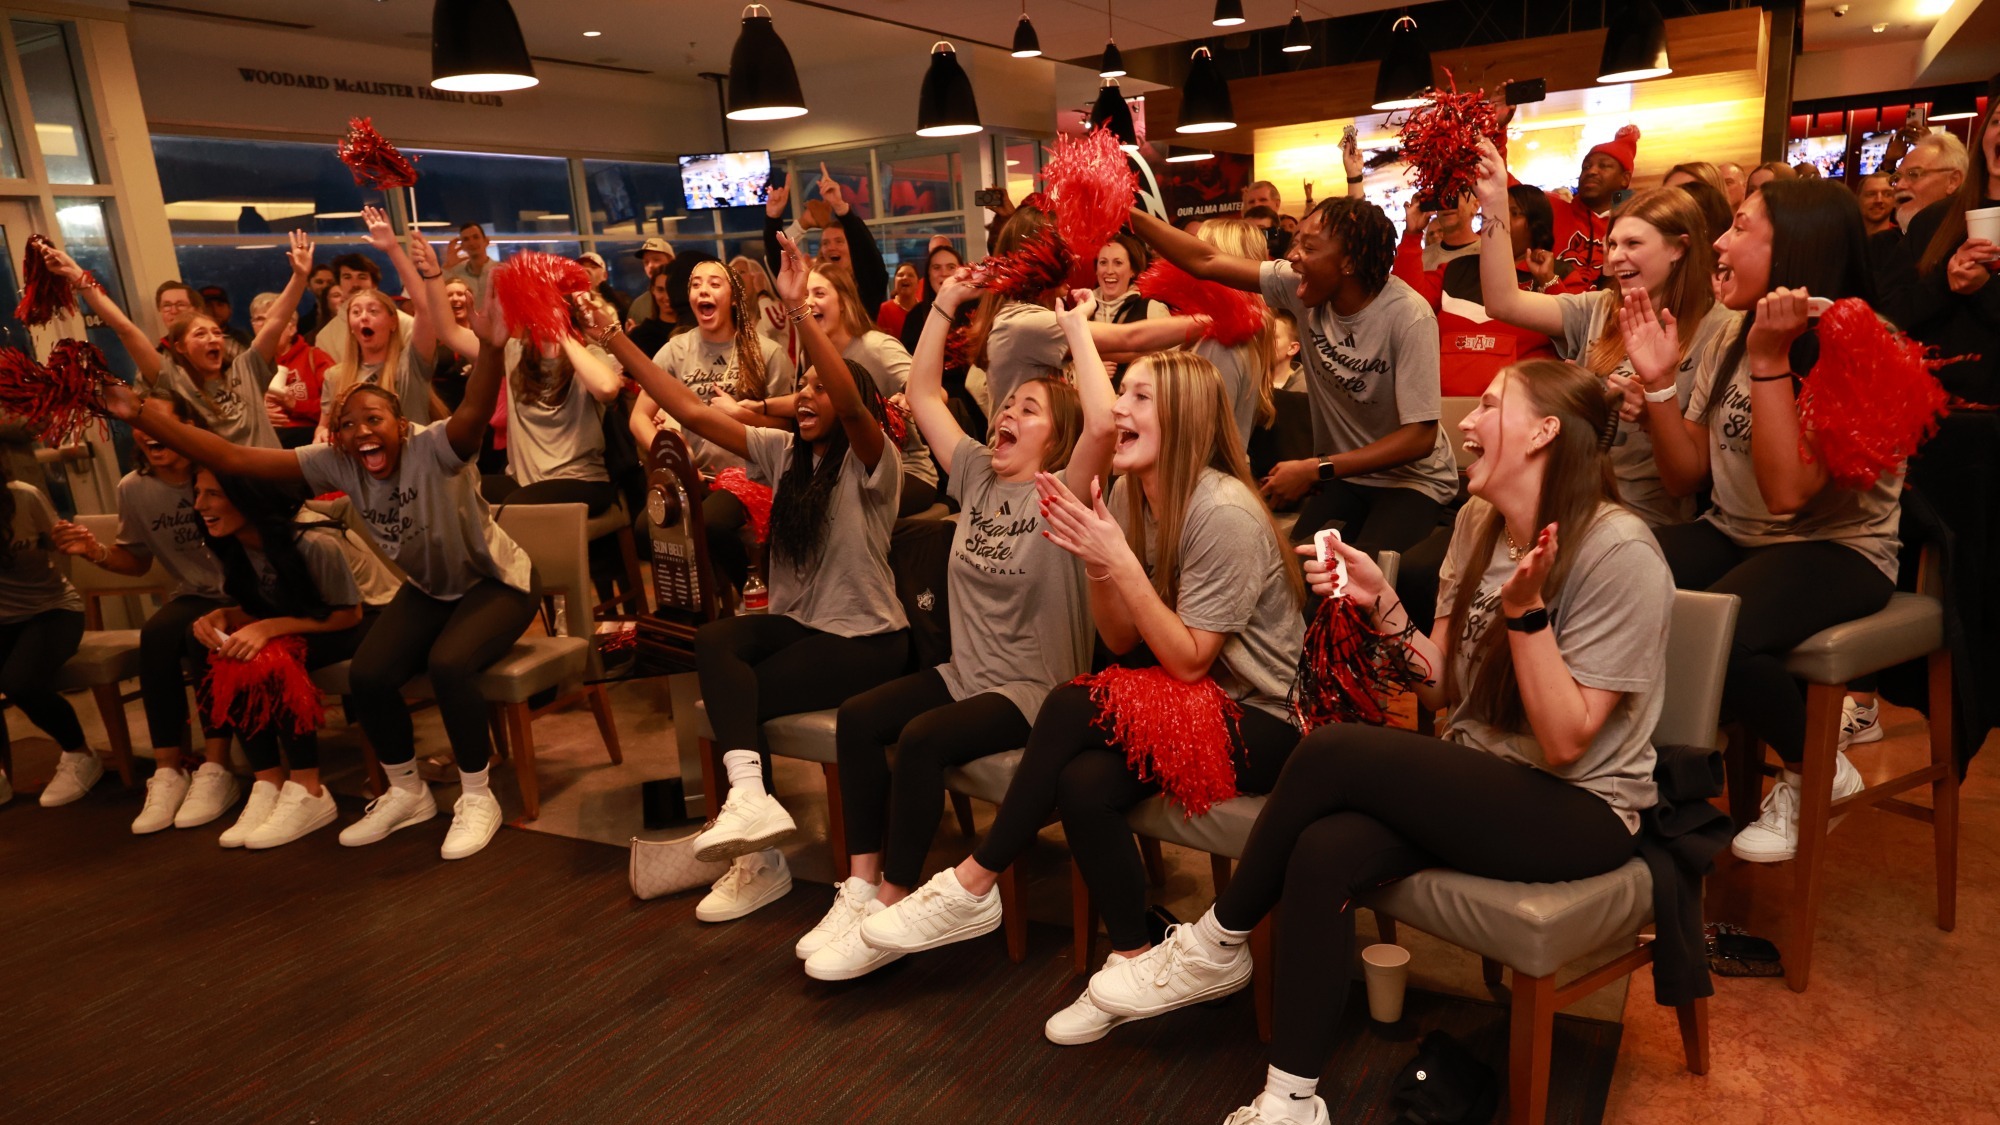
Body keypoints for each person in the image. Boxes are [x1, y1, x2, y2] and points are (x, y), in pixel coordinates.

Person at [1082, 360, 1670, 1125]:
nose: (1464, 420)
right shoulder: (1477, 522)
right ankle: (1290, 1100)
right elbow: (1442, 687)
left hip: (1581, 809)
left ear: (1543, 431)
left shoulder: (1617, 550)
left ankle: (1215, 940)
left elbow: (1564, 742)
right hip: (1484, 779)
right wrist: (1383, 603)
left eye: (1489, 405)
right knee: (1322, 851)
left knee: (1333, 748)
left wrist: (1527, 617)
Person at [860, 349, 1307, 1046]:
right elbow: (1123, 638)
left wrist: (1118, 560)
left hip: (1268, 720)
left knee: (1070, 704)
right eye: (1120, 394)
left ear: (1184, 417)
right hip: (1191, 702)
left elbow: (1189, 661)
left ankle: (974, 881)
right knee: (1081, 782)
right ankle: (1135, 956)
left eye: (1137, 398)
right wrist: (1103, 561)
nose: (1118, 411)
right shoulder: (1132, 493)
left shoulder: (1223, 510)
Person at [106, 288, 535, 862]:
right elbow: (232, 459)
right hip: (433, 589)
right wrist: (142, 415)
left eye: (374, 419)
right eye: (347, 423)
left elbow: (477, 411)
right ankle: (406, 792)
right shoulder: (335, 461)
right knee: (372, 674)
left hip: (497, 583)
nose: (361, 432)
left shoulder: (437, 446)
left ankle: (479, 795)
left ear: (400, 424)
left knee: (448, 663)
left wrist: (488, 347)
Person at [588, 231, 909, 922]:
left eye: (822, 387)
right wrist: (615, 340)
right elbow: (695, 411)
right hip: (803, 626)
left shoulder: (873, 462)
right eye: (803, 387)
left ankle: (757, 855)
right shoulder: (782, 451)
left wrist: (795, 315)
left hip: (867, 638)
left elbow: (854, 404)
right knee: (716, 645)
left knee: (745, 690)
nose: (808, 395)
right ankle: (751, 808)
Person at [803, 279, 1115, 982]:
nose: (1008, 412)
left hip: (1033, 691)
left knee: (920, 740)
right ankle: (857, 889)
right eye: (1007, 403)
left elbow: (1103, 425)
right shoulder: (975, 470)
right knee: (858, 718)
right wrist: (944, 303)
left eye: (1028, 409)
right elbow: (920, 396)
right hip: (964, 674)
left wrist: (1075, 330)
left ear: (1054, 436)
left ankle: (894, 906)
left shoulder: (1061, 490)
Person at [1627, 178, 1898, 863]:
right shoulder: (1734, 331)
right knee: (1614, 572)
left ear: (1796, 249)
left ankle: (1815, 767)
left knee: (1722, 627)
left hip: (1840, 548)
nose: (1719, 242)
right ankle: (1634, 771)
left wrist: (1772, 359)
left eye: (1740, 228)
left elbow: (1787, 494)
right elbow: (1685, 474)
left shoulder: (1864, 343)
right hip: (1735, 532)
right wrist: (1659, 384)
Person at [1131, 197, 1457, 557]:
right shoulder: (1296, 285)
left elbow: (1420, 438)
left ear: (1348, 262)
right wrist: (1124, 212)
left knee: (1360, 582)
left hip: (1414, 481)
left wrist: (1316, 469)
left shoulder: (1408, 316)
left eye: (1309, 247)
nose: (1293, 255)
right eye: (1296, 241)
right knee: (1293, 568)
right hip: (1345, 478)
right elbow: (1204, 260)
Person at [1475, 143, 1737, 527]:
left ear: (1679, 249)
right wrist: (1495, 201)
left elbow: (1698, 472)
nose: (1615, 257)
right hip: (1569, 499)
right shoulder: (1599, 307)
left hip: (1644, 516)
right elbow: (1502, 303)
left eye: (1633, 244)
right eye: (1612, 244)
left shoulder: (1720, 328)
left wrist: (1653, 413)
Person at [50, 402, 235, 832]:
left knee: (198, 638)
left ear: (189, 427)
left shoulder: (221, 469)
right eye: (135, 423)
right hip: (193, 592)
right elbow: (135, 561)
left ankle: (216, 768)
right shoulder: (134, 487)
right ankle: (169, 770)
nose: (144, 430)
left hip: (245, 591)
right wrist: (92, 551)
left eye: (155, 419)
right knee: (156, 634)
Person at [187, 469, 376, 849]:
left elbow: (348, 614)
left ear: (247, 498)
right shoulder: (232, 540)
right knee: (231, 653)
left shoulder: (312, 540)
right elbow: (270, 603)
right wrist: (225, 617)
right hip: (310, 618)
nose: (200, 505)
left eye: (213, 494)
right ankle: (268, 782)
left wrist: (269, 628)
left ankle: (310, 790)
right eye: (197, 493)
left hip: (370, 619)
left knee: (270, 655)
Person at [46, 236, 310, 450]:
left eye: (216, 332)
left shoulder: (247, 368)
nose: (213, 339)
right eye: (200, 334)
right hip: (226, 492)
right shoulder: (174, 379)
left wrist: (299, 277)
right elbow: (125, 329)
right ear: (180, 347)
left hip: (274, 480)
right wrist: (79, 278)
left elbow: (276, 321)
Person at [629, 258, 797, 591]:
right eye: (695, 284)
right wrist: (674, 456)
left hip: (753, 476)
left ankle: (754, 591)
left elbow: (789, 427)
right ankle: (708, 603)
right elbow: (638, 418)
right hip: (698, 476)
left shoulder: (767, 351)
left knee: (713, 525)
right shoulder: (676, 351)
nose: (703, 290)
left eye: (714, 284)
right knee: (644, 529)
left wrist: (743, 415)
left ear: (734, 298)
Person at [740, 266, 941, 516]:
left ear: (844, 302)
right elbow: (820, 397)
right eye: (805, 295)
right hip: (847, 470)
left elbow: (934, 394)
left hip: (906, 471)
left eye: (820, 293)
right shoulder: (813, 353)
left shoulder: (875, 347)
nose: (810, 302)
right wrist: (760, 407)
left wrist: (910, 398)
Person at [1878, 95, 1999, 404]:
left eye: (1915, 175)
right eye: (1997, 122)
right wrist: (1946, 283)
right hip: (1926, 411)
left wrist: (1985, 287)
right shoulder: (1933, 220)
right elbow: (1887, 312)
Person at [1393, 184, 1560, 399]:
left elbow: (1577, 337)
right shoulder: (1456, 269)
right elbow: (1407, 305)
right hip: (1445, 408)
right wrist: (1413, 234)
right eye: (1495, 212)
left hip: (1520, 412)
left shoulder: (1557, 274)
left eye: (1514, 212)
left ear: (1537, 225)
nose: (1500, 220)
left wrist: (1549, 280)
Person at [0, 466, 101, 808]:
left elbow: (62, 548)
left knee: (19, 682)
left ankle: (80, 753)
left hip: (52, 609)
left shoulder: (23, 497)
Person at [319, 207, 443, 438]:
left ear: (393, 322)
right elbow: (325, 427)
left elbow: (425, 309)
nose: (363, 316)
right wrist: (322, 432)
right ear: (351, 327)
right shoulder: (335, 377)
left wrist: (394, 249)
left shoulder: (410, 366)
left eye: (373, 310)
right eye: (356, 312)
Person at [764, 163, 891, 312]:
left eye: (839, 241)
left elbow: (868, 253)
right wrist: (773, 219)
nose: (831, 247)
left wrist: (841, 208)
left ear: (853, 249)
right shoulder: (810, 288)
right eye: (825, 243)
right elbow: (778, 261)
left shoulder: (869, 285)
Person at [1548, 126, 1639, 293]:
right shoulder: (1553, 209)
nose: (1592, 171)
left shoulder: (1636, 229)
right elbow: (1505, 186)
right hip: (1549, 313)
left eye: (1604, 166)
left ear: (1625, 179)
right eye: (1586, 167)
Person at [255, 290, 335, 448]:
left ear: (291, 329)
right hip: (262, 441)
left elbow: (337, 405)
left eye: (273, 320)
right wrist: (257, 416)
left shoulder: (315, 357)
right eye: (259, 320)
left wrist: (296, 405)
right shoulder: (247, 364)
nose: (265, 327)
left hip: (306, 440)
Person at [315, 251, 416, 364]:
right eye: (347, 277)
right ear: (339, 284)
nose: (355, 284)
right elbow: (331, 379)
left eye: (362, 277)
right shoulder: (326, 337)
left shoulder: (405, 324)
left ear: (374, 284)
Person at [1093, 233, 1167, 325]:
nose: (1109, 270)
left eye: (1118, 263)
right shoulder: (1082, 309)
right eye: (1103, 262)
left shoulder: (1153, 310)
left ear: (1133, 270)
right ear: (1096, 269)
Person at [729, 254, 787, 347]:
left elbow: (773, 326)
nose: (735, 278)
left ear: (757, 278)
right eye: (732, 274)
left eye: (742, 272)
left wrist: (761, 291)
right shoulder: (736, 320)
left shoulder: (776, 307)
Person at [623, 237, 678, 327]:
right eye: (646, 262)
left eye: (656, 260)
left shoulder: (687, 296)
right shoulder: (639, 305)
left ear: (671, 262)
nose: (650, 265)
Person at [443, 221, 495, 304]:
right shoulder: (456, 275)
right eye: (466, 239)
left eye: (476, 237)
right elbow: (437, 296)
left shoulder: (502, 271)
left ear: (486, 241)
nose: (471, 243)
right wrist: (448, 266)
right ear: (462, 246)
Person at [580, 251, 630, 322]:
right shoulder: (569, 301)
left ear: (604, 276)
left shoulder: (611, 308)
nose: (586, 269)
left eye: (593, 267)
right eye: (581, 266)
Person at [876, 261, 922, 338]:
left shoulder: (924, 310)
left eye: (910, 275)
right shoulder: (883, 310)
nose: (905, 277)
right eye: (900, 275)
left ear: (918, 283)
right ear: (895, 282)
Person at [1857, 171, 1898, 236]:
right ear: (1858, 200)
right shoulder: (1842, 237)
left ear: (1895, 201)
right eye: (1871, 194)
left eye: (1887, 194)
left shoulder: (1905, 240)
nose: (1879, 200)